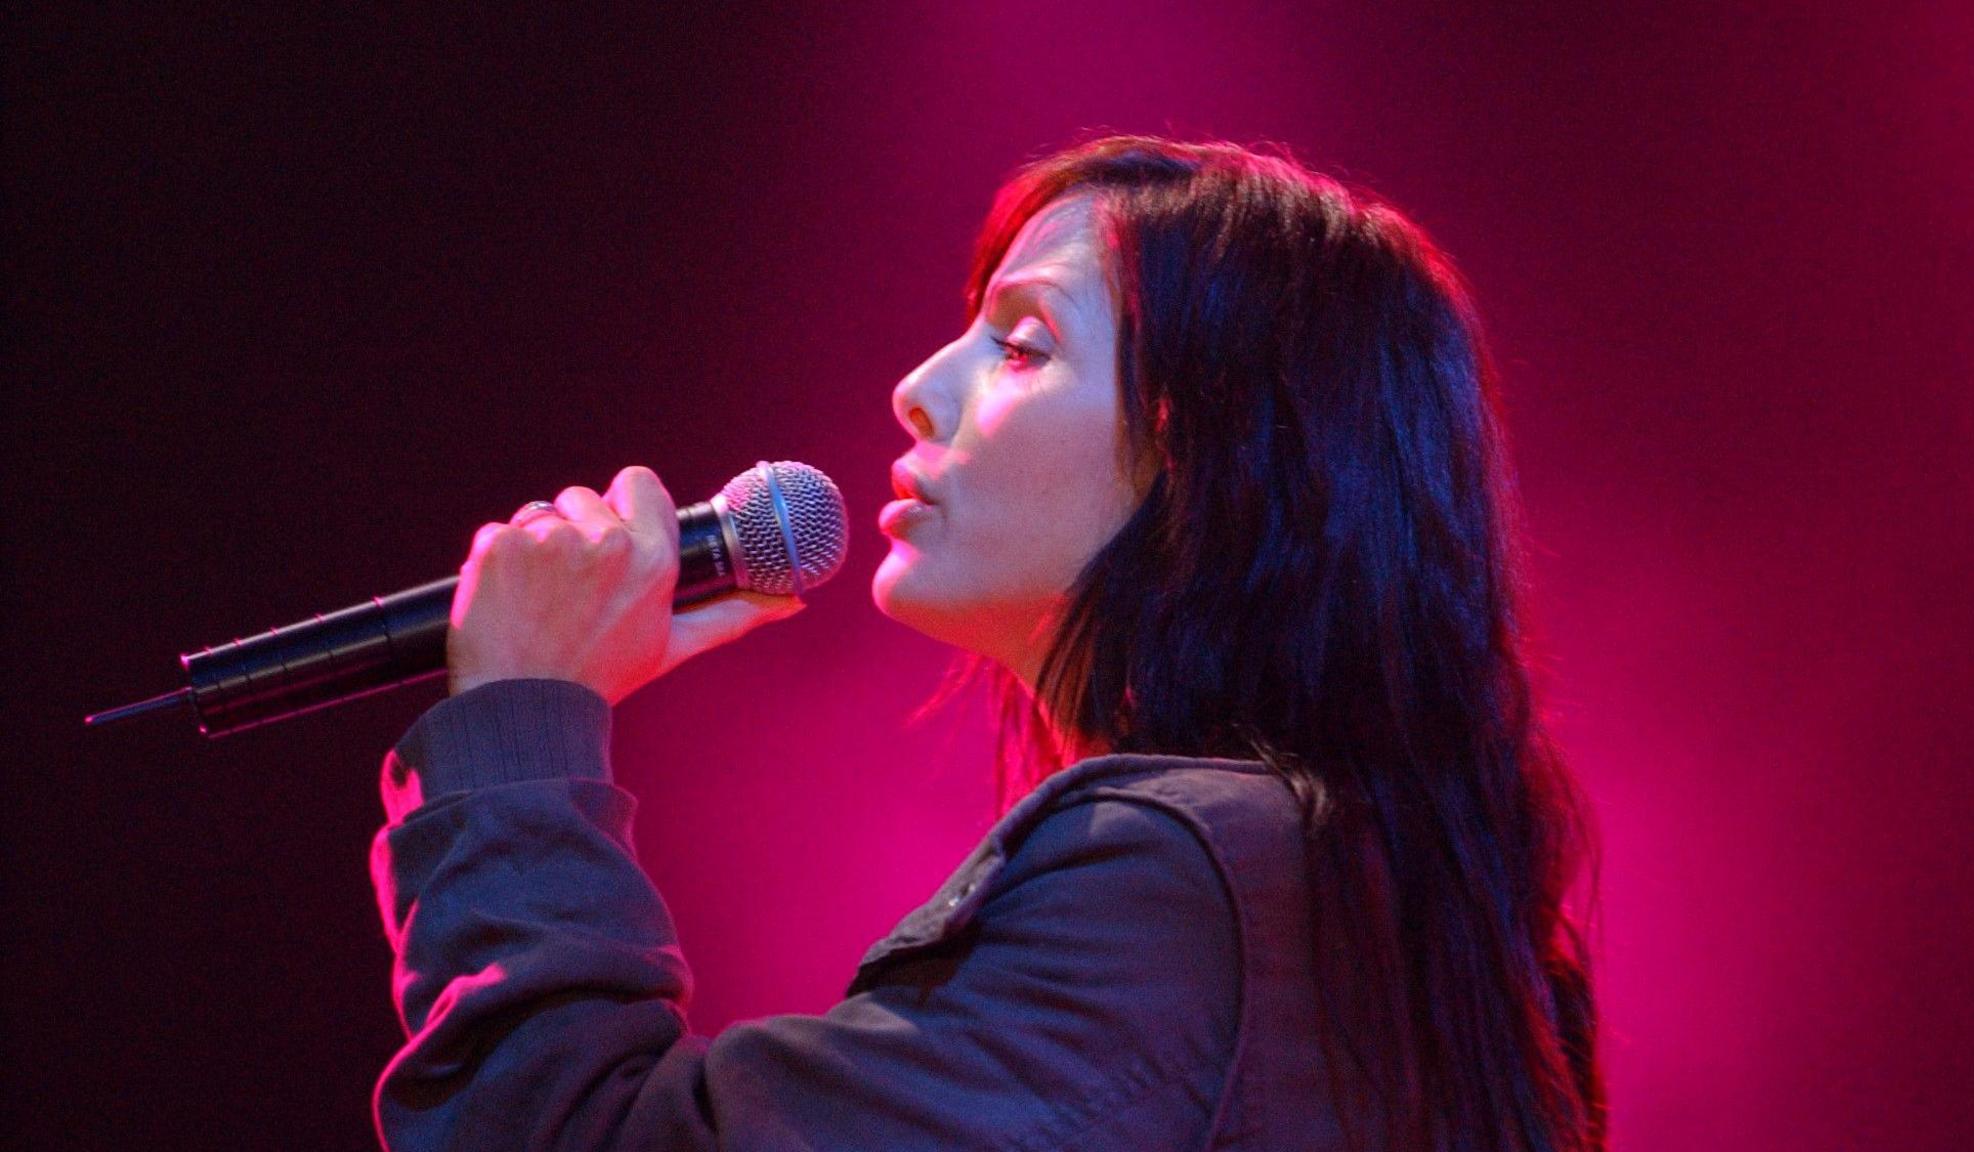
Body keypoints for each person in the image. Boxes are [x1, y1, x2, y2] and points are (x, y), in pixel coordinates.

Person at [370, 134, 1606, 1151]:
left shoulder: (1182, 886)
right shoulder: (1378, 900)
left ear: (1211, 458)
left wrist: (520, 734)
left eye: (1021, 344)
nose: (917, 385)